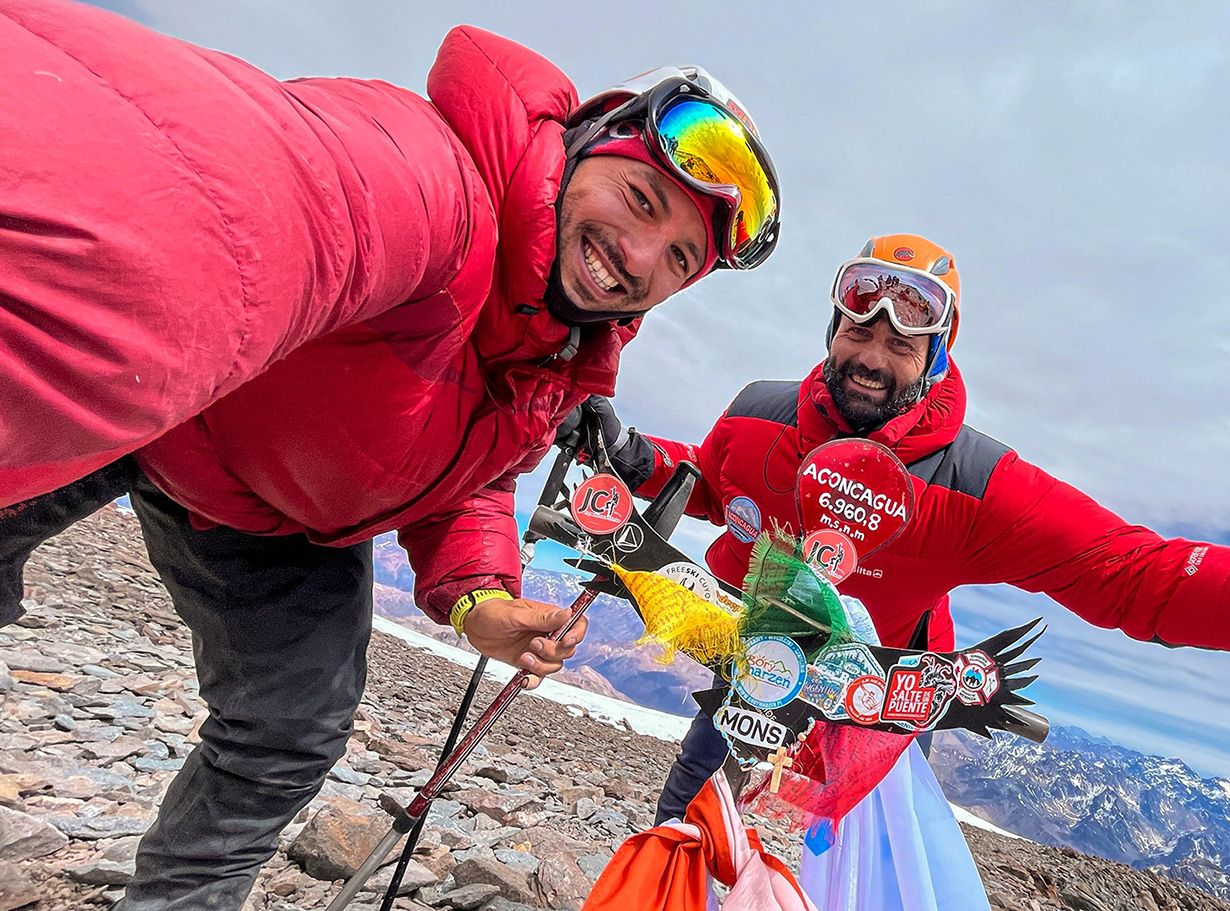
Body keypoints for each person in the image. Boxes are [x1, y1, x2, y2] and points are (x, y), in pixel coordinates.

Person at [0, 4, 781, 908]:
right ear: (581, 142)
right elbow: (225, 192)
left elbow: (476, 471)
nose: (639, 256)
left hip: (270, 511)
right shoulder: (430, 183)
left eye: (679, 258)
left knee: (288, 727)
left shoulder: (556, 352)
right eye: (640, 200)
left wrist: (480, 597)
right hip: (151, 405)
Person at [567, 233, 1230, 826]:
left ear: (935, 355)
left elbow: (1132, 572)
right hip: (750, 681)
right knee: (681, 837)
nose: (872, 352)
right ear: (832, 328)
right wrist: (633, 457)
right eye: (859, 326)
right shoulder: (759, 415)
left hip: (876, 715)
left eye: (903, 339)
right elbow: (712, 483)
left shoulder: (976, 485)